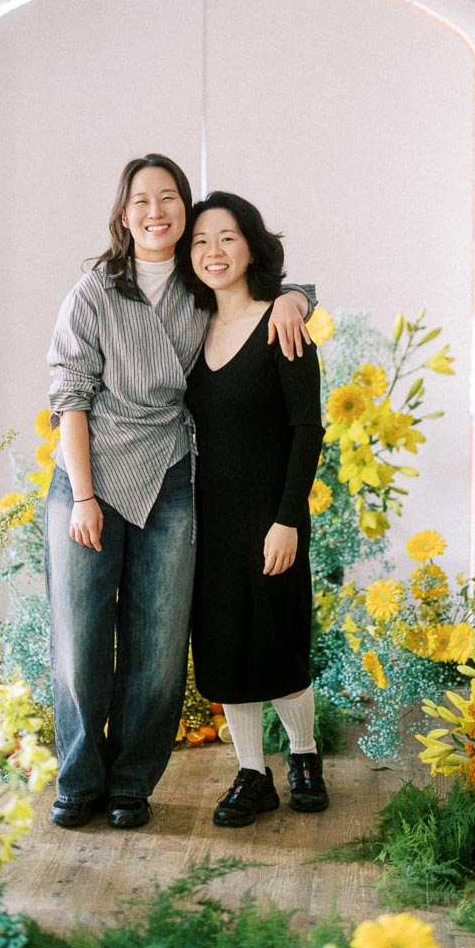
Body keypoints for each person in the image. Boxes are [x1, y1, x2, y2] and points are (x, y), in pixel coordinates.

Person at [45, 153, 313, 830]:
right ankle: (80, 782)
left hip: (168, 478)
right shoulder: (95, 291)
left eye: (170, 199)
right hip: (89, 478)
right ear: (123, 212)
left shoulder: (199, 290)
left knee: (159, 647)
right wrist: (82, 497)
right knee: (81, 643)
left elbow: (265, 289)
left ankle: (133, 783)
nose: (156, 211)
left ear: (186, 214)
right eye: (142, 199)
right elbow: (69, 398)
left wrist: (297, 295)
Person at [182, 192, 327, 827]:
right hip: (209, 523)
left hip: (274, 519)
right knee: (223, 650)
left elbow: (308, 429)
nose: (214, 252)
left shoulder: (282, 324)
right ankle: (251, 773)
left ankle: (304, 756)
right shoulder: (187, 329)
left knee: (277, 645)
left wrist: (288, 518)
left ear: (252, 247)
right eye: (201, 242)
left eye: (228, 238)